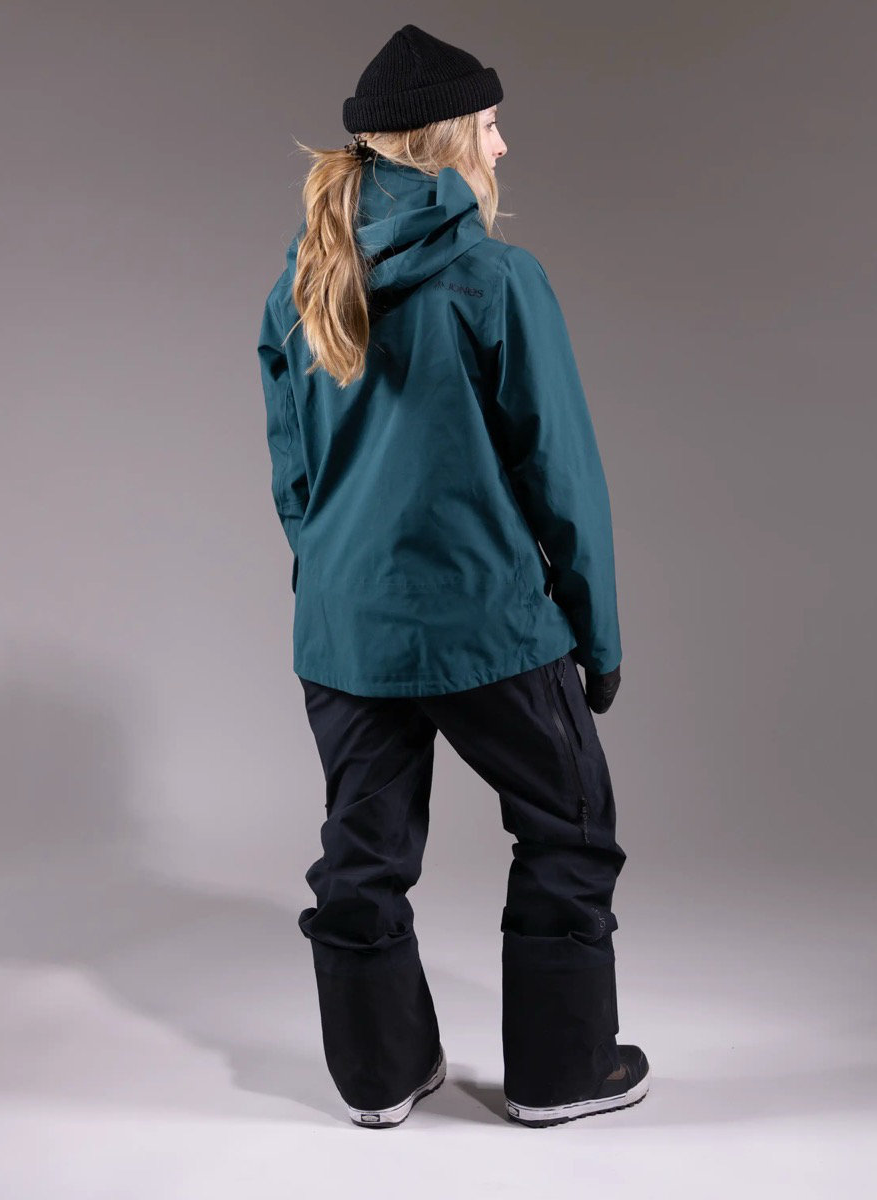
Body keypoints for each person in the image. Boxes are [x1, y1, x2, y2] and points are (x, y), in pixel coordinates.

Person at [256, 22, 650, 1129]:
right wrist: (597, 638)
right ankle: (561, 1073)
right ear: (444, 142)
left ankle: (379, 1076)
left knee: (362, 854)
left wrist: (339, 586)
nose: (503, 146)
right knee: (571, 828)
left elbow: (293, 479)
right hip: (486, 626)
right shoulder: (495, 278)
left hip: (346, 632)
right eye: (490, 124)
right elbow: (562, 473)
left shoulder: (299, 286)